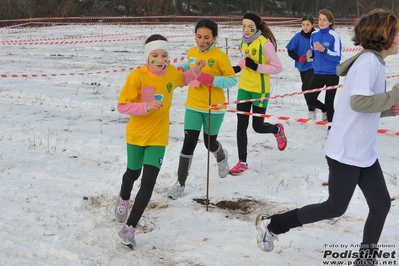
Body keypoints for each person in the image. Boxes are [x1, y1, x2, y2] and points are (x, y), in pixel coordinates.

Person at [255, 9, 399, 266]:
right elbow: (359, 102)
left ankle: (365, 261)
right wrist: (395, 94)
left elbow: (362, 107)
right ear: (383, 35)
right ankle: (273, 224)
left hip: (362, 152)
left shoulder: (374, 62)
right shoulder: (368, 63)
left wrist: (389, 107)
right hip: (346, 152)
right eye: (396, 32)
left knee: (380, 205)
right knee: (335, 208)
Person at [114, 34, 206, 249]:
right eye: (155, 55)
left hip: (158, 137)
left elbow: (182, 80)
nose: (160, 59)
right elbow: (122, 106)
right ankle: (123, 197)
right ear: (148, 56)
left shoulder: (172, 71)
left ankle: (129, 228)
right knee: (133, 174)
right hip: (137, 135)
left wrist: (196, 71)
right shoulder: (137, 77)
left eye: (164, 55)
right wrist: (144, 108)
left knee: (149, 182)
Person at [167, 19, 237, 199]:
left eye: (207, 37)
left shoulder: (221, 57)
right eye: (199, 37)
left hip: (214, 107)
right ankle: (180, 182)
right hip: (193, 105)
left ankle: (221, 156)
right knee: (188, 144)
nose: (202, 41)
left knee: (209, 143)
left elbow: (231, 79)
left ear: (214, 38)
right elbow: (188, 65)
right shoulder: (192, 52)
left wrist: (211, 79)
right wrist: (178, 68)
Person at [228, 12, 286, 176]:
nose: (246, 30)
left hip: (260, 90)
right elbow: (245, 60)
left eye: (250, 27)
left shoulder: (264, 44)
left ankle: (277, 129)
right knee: (241, 125)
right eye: (244, 27)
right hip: (244, 88)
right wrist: (238, 68)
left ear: (257, 27)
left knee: (258, 126)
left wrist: (257, 67)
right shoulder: (242, 42)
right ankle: (242, 162)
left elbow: (277, 67)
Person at [305, 9, 342, 130]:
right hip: (318, 73)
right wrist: (310, 55)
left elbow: (337, 57)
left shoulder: (334, 36)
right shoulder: (314, 35)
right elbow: (312, 56)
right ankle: (323, 109)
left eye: (324, 20)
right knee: (310, 98)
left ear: (330, 22)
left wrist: (324, 50)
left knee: (329, 103)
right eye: (320, 19)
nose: (321, 22)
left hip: (332, 74)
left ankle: (331, 131)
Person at [286, 16, 317, 120]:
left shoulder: (316, 36)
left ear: (313, 25)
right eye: (303, 25)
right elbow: (290, 51)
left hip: (314, 66)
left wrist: (313, 55)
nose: (305, 27)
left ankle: (312, 111)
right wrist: (299, 58)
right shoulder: (297, 37)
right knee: (307, 90)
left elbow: (322, 50)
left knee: (305, 87)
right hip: (302, 65)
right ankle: (313, 109)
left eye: (308, 25)